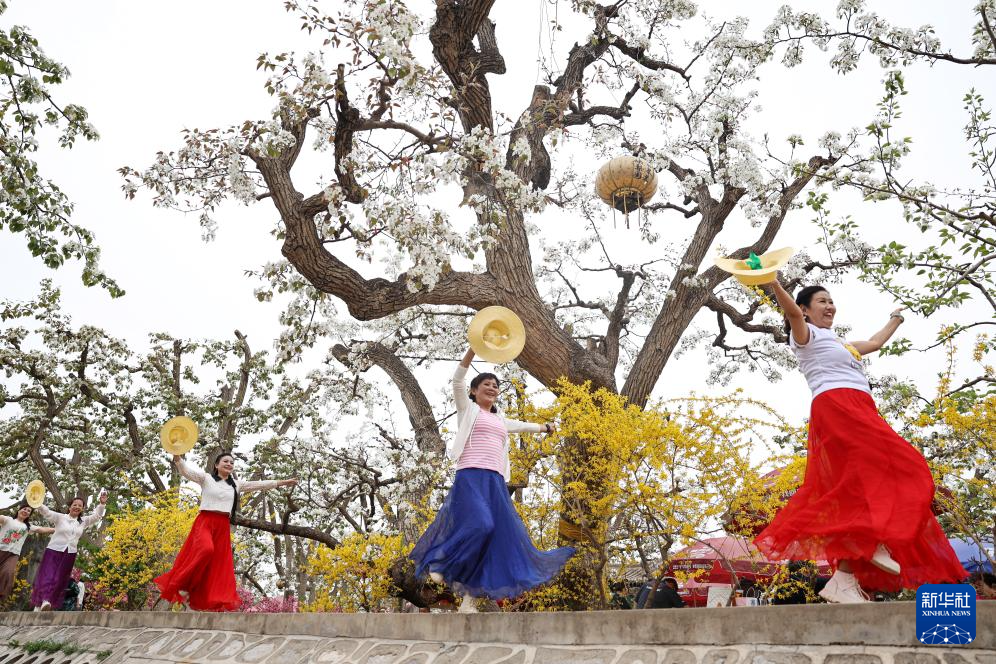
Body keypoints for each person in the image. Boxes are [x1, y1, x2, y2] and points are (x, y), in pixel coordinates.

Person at [754, 282, 967, 603]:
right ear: (807, 310)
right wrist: (773, 282)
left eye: (832, 301)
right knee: (903, 466)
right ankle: (875, 540)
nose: (830, 306)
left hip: (861, 407)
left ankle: (844, 578)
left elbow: (875, 342)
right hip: (837, 406)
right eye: (822, 301)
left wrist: (896, 318)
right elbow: (792, 313)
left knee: (864, 486)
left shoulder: (840, 344)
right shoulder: (805, 337)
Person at [410, 347, 575, 613]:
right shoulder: (468, 410)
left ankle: (469, 599)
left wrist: (545, 427)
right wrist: (472, 350)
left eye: (496, 385)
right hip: (471, 475)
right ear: (475, 391)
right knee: (481, 525)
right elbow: (457, 380)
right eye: (487, 384)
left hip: (495, 482)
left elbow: (521, 425)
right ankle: (441, 564)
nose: (492, 387)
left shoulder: (499, 419)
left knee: (495, 539)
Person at [154, 451, 297, 611]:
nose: (229, 464)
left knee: (217, 564)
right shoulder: (206, 478)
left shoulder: (236, 484)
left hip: (222, 526)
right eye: (225, 461)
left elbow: (260, 484)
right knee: (206, 550)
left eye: (231, 462)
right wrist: (177, 458)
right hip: (205, 521)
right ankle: (183, 584)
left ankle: (195, 593)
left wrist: (283, 482)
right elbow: (186, 472)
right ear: (216, 465)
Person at [31, 492, 108, 611]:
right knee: (48, 576)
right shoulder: (60, 517)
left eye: (80, 505)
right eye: (74, 504)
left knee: (59, 579)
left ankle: (46, 602)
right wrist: (37, 502)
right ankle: (42, 601)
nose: (77, 507)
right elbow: (47, 512)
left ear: (82, 508)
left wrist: (102, 504)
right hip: (53, 551)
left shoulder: (83, 521)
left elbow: (96, 517)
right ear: (69, 506)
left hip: (70, 553)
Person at [0, 503, 55, 605]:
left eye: (28, 511)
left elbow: (41, 529)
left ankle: (1, 595)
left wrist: (57, 530)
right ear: (19, 510)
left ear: (29, 515)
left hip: (13, 555)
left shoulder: (27, 527)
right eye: (24, 509)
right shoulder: (8, 520)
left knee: (8, 573)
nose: (25, 511)